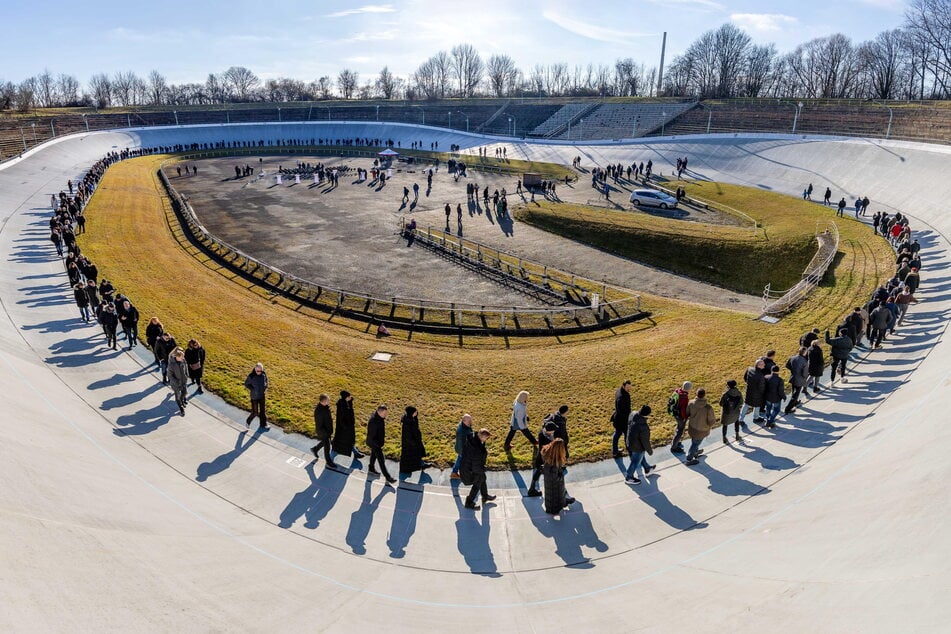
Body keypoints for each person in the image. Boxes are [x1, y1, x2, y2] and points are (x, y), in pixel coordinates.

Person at [460, 428, 496, 510]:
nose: (486, 440)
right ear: (482, 437)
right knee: (477, 483)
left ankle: (485, 496)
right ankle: (468, 502)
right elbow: (476, 466)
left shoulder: (474, 438)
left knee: (482, 478)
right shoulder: (476, 449)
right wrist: (483, 469)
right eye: (486, 438)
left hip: (467, 466)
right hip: (469, 471)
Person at [366, 404, 396, 485]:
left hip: (376, 442)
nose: (386, 415)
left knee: (373, 454)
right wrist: (378, 445)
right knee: (381, 459)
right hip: (374, 443)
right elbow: (371, 436)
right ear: (379, 412)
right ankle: (388, 477)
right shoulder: (374, 421)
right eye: (385, 413)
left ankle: (371, 468)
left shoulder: (379, 418)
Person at [685, 389, 717, 465]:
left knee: (694, 441)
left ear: (696, 394)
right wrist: (709, 425)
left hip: (692, 427)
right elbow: (712, 420)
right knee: (695, 444)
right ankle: (689, 458)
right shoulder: (708, 407)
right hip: (702, 429)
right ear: (704, 395)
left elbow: (687, 413)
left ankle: (695, 452)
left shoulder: (691, 403)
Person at [625, 405, 654, 484]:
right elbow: (645, 442)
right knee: (635, 462)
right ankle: (629, 477)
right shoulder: (643, 427)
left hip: (629, 441)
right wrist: (650, 451)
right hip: (637, 447)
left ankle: (647, 468)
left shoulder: (633, 414)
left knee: (640, 457)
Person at [331, 391, 364, 459]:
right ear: (346, 397)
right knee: (339, 445)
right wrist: (345, 427)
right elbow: (341, 418)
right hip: (343, 429)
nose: (350, 397)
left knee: (349, 441)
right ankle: (330, 459)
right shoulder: (342, 406)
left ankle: (356, 453)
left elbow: (350, 412)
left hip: (347, 428)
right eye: (349, 396)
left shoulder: (346, 403)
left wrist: (350, 401)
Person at [541, 438, 569, 514]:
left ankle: (554, 506)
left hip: (547, 478)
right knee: (556, 493)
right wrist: (561, 475)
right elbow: (555, 477)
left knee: (549, 493)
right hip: (554, 480)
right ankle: (558, 506)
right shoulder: (556, 462)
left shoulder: (546, 451)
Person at [399, 406, 429, 474]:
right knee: (408, 456)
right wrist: (414, 443)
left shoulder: (412, 419)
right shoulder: (408, 422)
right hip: (410, 443)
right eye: (415, 412)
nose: (417, 412)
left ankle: (422, 464)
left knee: (417, 454)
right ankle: (406, 469)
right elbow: (408, 435)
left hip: (414, 441)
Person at [667, 381, 692, 454]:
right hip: (680, 416)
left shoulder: (677, 391)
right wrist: (685, 418)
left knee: (678, 428)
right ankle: (674, 447)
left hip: (675, 413)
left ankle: (676, 442)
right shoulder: (684, 397)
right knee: (680, 430)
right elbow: (683, 410)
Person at [311, 394, 335, 466]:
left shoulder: (325, 407)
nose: (329, 401)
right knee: (327, 446)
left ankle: (315, 449)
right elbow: (319, 424)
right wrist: (326, 433)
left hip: (327, 430)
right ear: (324, 401)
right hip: (323, 432)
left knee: (325, 443)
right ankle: (328, 461)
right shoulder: (319, 411)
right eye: (328, 400)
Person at [244, 362, 270, 430]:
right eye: (257, 371)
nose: (258, 372)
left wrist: (265, 387)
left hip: (262, 395)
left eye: (260, 371)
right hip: (254, 397)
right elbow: (246, 384)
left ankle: (263, 424)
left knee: (263, 411)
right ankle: (248, 422)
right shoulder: (251, 376)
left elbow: (266, 381)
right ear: (255, 369)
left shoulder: (263, 374)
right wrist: (253, 389)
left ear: (262, 370)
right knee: (255, 412)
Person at [740, 359, 767, 423]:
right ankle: (756, 417)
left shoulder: (749, 369)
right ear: (759, 365)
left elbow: (745, 377)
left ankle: (740, 419)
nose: (764, 365)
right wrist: (763, 393)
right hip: (757, 394)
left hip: (749, 391)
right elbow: (761, 388)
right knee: (757, 406)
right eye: (763, 364)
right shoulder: (761, 376)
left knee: (746, 405)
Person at [785, 347, 809, 414]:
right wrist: (804, 378)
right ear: (804, 353)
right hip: (799, 379)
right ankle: (788, 408)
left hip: (793, 377)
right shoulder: (804, 361)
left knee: (794, 391)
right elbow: (805, 373)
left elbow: (787, 365)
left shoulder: (792, 358)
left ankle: (795, 402)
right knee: (795, 395)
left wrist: (793, 371)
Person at [611, 380, 632, 458]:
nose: (629, 389)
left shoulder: (619, 391)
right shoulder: (622, 397)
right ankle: (630, 450)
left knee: (617, 434)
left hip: (618, 419)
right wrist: (628, 419)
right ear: (623, 386)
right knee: (626, 435)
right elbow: (622, 411)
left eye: (629, 387)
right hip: (622, 420)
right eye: (627, 387)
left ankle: (615, 451)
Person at [167, 347, 189, 417]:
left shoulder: (183, 361)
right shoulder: (171, 365)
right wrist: (176, 381)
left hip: (183, 381)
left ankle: (182, 401)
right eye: (181, 357)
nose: (183, 359)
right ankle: (181, 409)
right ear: (177, 357)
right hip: (176, 384)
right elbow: (170, 375)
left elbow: (186, 368)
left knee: (185, 393)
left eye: (183, 357)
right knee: (177, 397)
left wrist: (186, 375)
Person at [451, 414, 474, 480]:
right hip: (462, 450)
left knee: (459, 459)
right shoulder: (462, 432)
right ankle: (460, 473)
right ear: (464, 421)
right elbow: (465, 442)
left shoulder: (464, 425)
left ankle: (454, 472)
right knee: (463, 460)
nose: (471, 422)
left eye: (470, 420)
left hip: (460, 448)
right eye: (469, 421)